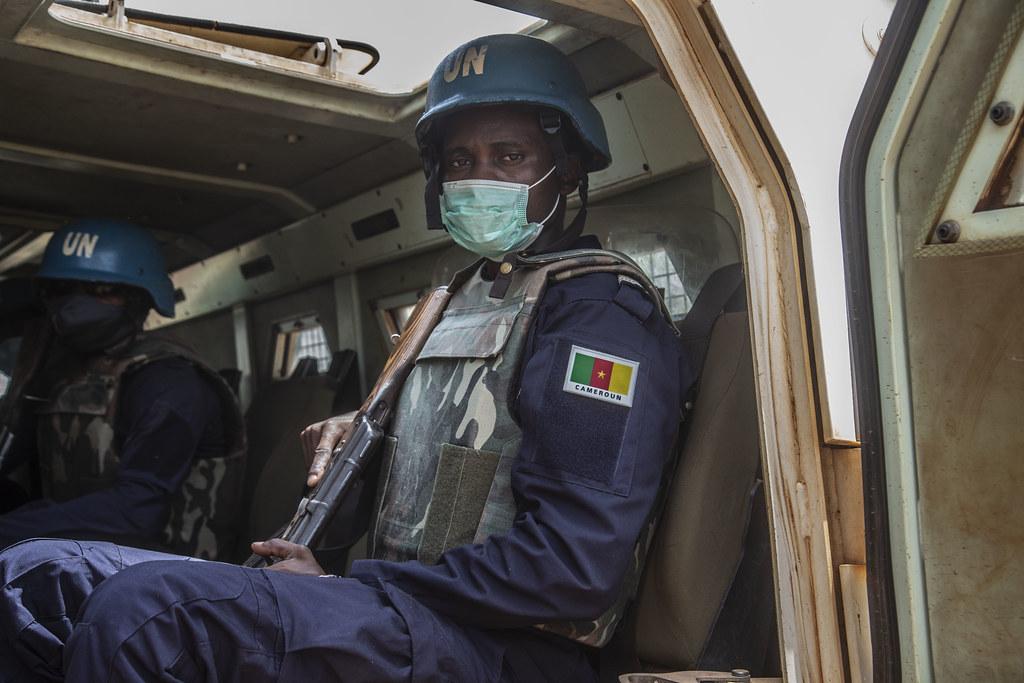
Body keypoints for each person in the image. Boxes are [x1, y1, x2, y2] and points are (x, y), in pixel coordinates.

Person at [0, 35, 690, 682]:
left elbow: (571, 565)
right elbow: (442, 482)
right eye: (459, 161)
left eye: (508, 156)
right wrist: (362, 445)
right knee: (36, 575)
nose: (480, 178)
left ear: (567, 167)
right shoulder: (460, 298)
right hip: (412, 609)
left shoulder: (598, 313)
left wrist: (348, 584)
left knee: (145, 612)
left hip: (510, 647)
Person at [0, 220, 246, 559]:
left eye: (101, 290)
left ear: (139, 299)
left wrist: (10, 530)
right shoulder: (62, 373)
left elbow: (136, 512)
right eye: (63, 289)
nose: (76, 304)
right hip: (82, 558)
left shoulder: (168, 381)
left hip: (168, 581)